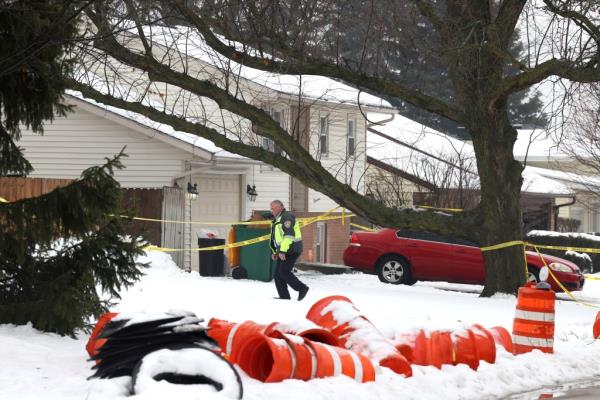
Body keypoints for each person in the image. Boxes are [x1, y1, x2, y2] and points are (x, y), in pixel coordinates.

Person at [268, 200, 309, 301]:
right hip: (285, 249)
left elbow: (289, 236)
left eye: (273, 208)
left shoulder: (286, 217)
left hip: (292, 249)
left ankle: (302, 288)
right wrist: (276, 252)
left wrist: (282, 251)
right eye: (271, 208)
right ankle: (284, 296)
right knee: (277, 274)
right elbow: (279, 239)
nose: (271, 210)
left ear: (280, 207)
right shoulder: (278, 219)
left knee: (284, 272)